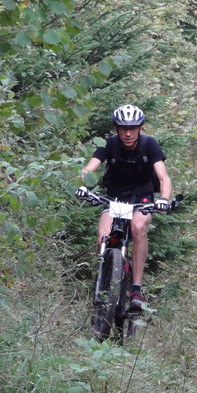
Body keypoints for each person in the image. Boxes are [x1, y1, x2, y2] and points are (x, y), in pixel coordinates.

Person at [78, 104, 172, 311]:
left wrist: (164, 199)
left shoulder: (149, 144)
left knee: (138, 227)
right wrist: (82, 185)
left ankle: (136, 289)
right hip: (114, 199)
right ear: (116, 129)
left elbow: (163, 178)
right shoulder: (108, 144)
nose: (128, 133)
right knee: (103, 234)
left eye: (133, 128)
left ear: (140, 128)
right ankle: (102, 282)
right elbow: (88, 169)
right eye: (123, 129)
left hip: (142, 199)